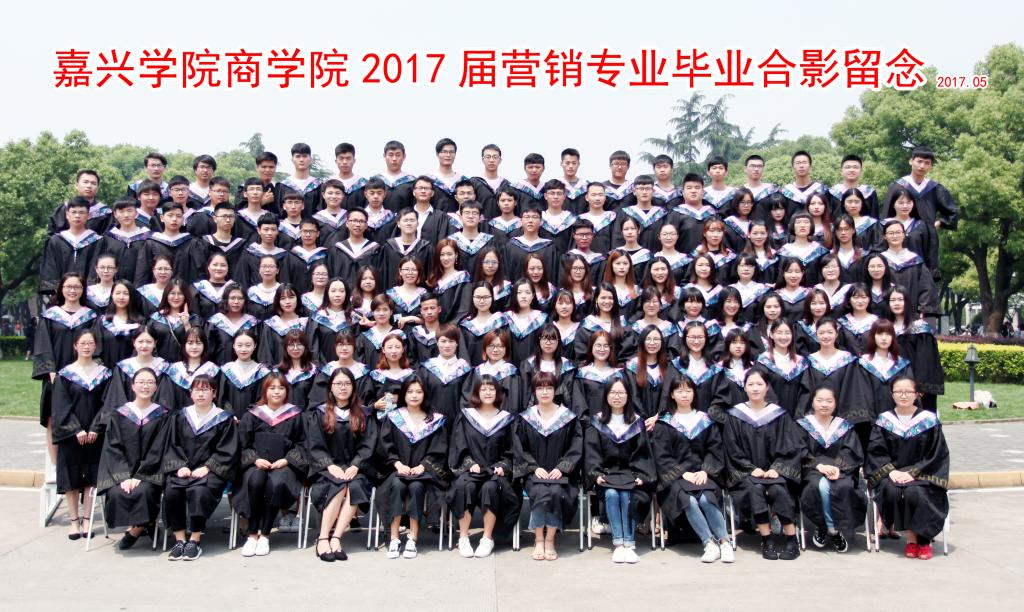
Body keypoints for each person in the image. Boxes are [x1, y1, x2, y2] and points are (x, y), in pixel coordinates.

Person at [649, 377, 734, 563]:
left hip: (702, 475)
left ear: (694, 393)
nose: (684, 395)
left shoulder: (705, 420)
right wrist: (682, 473)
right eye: (679, 391)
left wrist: (705, 471)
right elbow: (661, 456)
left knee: (706, 498)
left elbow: (714, 449)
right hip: (675, 478)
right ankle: (709, 543)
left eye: (688, 390)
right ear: (672, 395)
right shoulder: (665, 423)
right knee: (689, 501)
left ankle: (725, 542)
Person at [866, 376, 950, 560]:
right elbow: (876, 452)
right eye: (898, 392)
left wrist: (913, 473)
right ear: (892, 395)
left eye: (908, 392)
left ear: (917, 394)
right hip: (893, 473)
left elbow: (937, 454)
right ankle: (911, 538)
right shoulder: (884, 421)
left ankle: (924, 540)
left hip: (923, 473)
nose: (903, 395)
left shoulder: (929, 421)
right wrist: (891, 471)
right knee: (893, 492)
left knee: (914, 492)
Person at [724, 369, 804, 560]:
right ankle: (767, 540)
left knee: (778, 489)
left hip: (776, 472)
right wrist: (751, 469)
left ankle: (792, 540)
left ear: (767, 387)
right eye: (750, 384)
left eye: (759, 384)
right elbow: (732, 449)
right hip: (747, 472)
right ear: (744, 387)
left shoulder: (779, 415)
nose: (755, 388)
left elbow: (790, 446)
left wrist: (777, 468)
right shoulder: (735, 415)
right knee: (755, 490)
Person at [162, 375, 238, 561]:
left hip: (211, 471)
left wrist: (208, 468)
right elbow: (171, 444)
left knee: (199, 491)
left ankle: (194, 540)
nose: (201, 394)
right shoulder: (180, 416)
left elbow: (228, 449)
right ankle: (180, 540)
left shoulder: (223, 418)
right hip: (183, 469)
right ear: (191, 393)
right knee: (172, 492)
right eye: (197, 389)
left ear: (214, 393)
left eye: (205, 390)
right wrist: (179, 466)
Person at [306, 367, 377, 562]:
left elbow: (369, 444)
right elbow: (315, 444)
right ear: (330, 387)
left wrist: (356, 465)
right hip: (327, 468)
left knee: (355, 485)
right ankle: (323, 538)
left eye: (347, 383)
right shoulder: (320, 413)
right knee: (338, 483)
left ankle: (336, 538)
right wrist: (329, 465)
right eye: (338, 384)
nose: (343, 387)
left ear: (353, 387)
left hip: (356, 468)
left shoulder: (364, 413)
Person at [96, 368, 171, 550]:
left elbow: (160, 448)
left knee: (144, 491)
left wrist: (140, 475)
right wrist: (123, 477)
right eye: (141, 382)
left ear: (156, 387)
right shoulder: (120, 414)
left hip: (151, 471)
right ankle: (148, 523)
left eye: (150, 382)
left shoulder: (164, 415)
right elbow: (112, 448)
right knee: (117, 493)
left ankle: (136, 530)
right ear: (133, 386)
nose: (145, 386)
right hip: (122, 471)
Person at [233, 373, 307, 557]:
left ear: (286, 391)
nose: (276, 392)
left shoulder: (296, 415)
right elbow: (242, 444)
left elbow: (304, 443)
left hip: (285, 465)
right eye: (272, 388)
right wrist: (255, 459)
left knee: (276, 483)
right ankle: (252, 535)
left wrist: (287, 460)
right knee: (256, 481)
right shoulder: (252, 415)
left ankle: (265, 535)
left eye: (281, 388)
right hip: (256, 464)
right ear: (265, 391)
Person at [513, 372, 583, 561]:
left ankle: (550, 539)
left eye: (549, 388)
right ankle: (538, 539)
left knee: (556, 492)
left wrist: (562, 467)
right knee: (539, 491)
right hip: (534, 473)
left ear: (555, 390)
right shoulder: (526, 418)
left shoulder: (567, 417)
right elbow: (520, 448)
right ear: (534, 391)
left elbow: (576, 446)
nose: (544, 392)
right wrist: (533, 467)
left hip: (561, 474)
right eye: (540, 388)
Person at [449, 375, 521, 558]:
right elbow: (458, 445)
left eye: (491, 389)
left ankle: (487, 538)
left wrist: (503, 466)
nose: (488, 392)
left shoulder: (506, 419)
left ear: (498, 393)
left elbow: (512, 450)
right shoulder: (466, 416)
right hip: (471, 471)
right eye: (483, 389)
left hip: (495, 472)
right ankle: (463, 538)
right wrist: (469, 463)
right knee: (464, 486)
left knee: (491, 487)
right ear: (476, 393)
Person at [584, 379, 655, 564]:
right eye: (613, 393)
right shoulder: (597, 422)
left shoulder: (636, 423)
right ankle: (619, 545)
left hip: (631, 475)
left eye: (621, 393)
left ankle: (629, 545)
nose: (617, 396)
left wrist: (641, 476)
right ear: (606, 396)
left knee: (628, 495)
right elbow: (592, 453)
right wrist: (596, 474)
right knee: (612, 494)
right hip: (607, 475)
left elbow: (643, 454)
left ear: (628, 396)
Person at [377, 376, 449, 558]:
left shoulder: (434, 420)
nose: (414, 395)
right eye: (410, 391)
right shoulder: (394, 417)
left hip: (424, 473)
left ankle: (412, 537)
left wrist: (423, 466)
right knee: (397, 485)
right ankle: (394, 538)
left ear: (425, 394)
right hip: (396, 470)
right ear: (404, 394)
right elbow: (385, 446)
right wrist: (398, 464)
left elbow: (439, 449)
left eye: (419, 391)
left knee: (416, 487)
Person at [51, 329, 110, 540]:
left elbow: (107, 403)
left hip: (95, 435)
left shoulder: (104, 374)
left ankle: (87, 520)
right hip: (71, 436)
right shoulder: (65, 375)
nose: (87, 346)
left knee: (91, 478)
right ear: (75, 346)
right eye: (83, 343)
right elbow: (60, 406)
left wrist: (96, 428)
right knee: (71, 477)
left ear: (95, 346)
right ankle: (74, 521)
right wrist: (76, 429)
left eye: (90, 343)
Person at [33, 273, 97, 462]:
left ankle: (79, 466)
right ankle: (55, 466)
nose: (72, 290)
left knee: (82, 416)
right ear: (61, 289)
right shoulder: (50, 315)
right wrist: (51, 371)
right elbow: (43, 345)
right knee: (53, 417)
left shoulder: (91, 316)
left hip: (84, 374)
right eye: (68, 286)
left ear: (83, 290)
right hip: (56, 375)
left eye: (77, 287)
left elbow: (96, 344)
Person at [797, 387, 865, 554]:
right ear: (812, 402)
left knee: (843, 486)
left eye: (829, 401)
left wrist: (837, 467)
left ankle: (825, 527)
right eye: (820, 400)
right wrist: (819, 465)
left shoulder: (844, 426)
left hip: (840, 469)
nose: (824, 404)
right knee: (818, 486)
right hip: (812, 469)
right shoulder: (803, 425)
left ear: (835, 404)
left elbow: (851, 451)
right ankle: (832, 530)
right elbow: (799, 450)